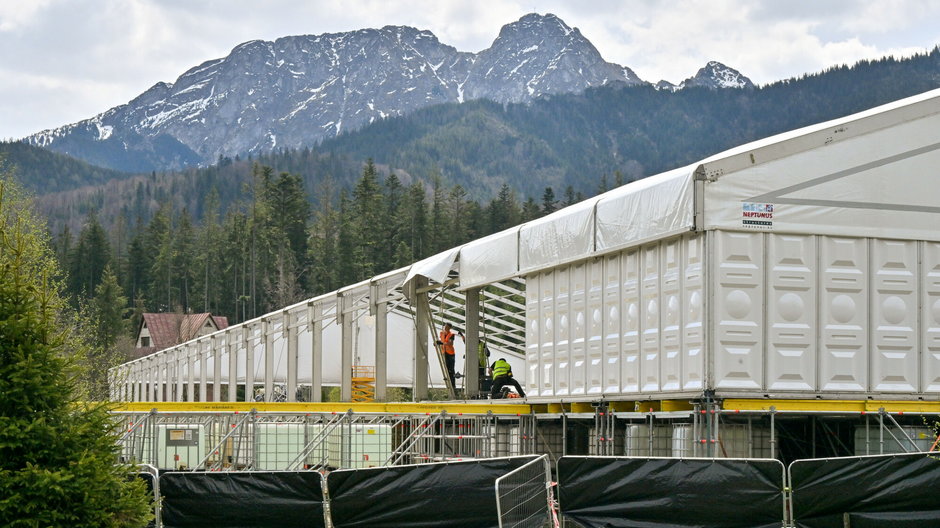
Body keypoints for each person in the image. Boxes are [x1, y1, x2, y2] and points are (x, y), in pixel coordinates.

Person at [438, 322, 462, 390]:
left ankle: (453, 384)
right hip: (444, 352)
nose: (445, 328)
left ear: (449, 328)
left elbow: (450, 343)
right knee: (446, 367)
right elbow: (442, 341)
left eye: (447, 327)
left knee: (451, 369)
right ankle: (448, 380)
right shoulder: (442, 333)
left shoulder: (451, 334)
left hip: (450, 353)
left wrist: (442, 343)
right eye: (445, 327)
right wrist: (437, 343)